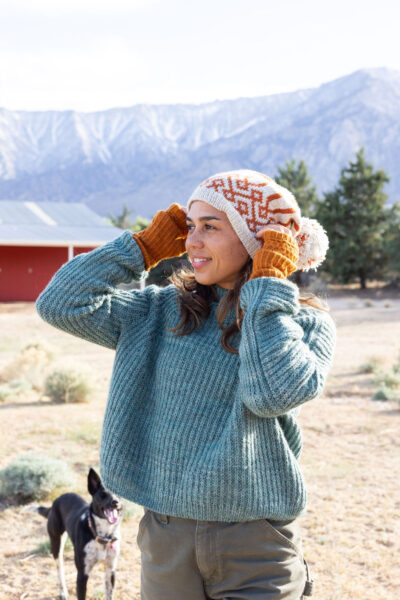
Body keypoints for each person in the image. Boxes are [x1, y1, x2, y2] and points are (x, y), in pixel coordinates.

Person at [36, 169, 336, 599]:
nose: (190, 241)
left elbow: (272, 395)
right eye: (190, 226)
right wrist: (141, 248)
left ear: (258, 239)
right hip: (166, 537)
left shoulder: (304, 323)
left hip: (256, 544)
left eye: (210, 227)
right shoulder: (157, 311)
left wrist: (267, 287)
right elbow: (60, 303)